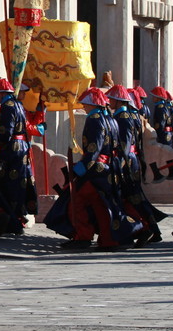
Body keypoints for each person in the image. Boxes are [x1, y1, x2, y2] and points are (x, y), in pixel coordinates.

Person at [64, 87, 141, 251]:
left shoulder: (94, 120)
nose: (84, 107)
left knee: (77, 201)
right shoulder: (110, 119)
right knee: (101, 206)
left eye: (85, 104)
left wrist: (81, 168)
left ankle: (83, 236)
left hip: (95, 170)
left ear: (91, 104)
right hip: (109, 168)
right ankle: (109, 239)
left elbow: (94, 149)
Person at [110, 85, 165, 245]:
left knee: (133, 197)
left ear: (118, 101)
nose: (109, 101)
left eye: (112, 99)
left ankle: (146, 229)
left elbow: (125, 144)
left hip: (127, 161)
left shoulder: (123, 117)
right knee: (134, 197)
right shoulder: (132, 115)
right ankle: (152, 229)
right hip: (133, 158)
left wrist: (121, 163)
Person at [0, 77, 42, 234]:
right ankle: (18, 217)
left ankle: (12, 221)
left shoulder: (6, 106)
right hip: (22, 147)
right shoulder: (19, 104)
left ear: (2, 94)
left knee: (7, 186)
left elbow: (6, 132)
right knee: (18, 185)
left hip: (12, 150)